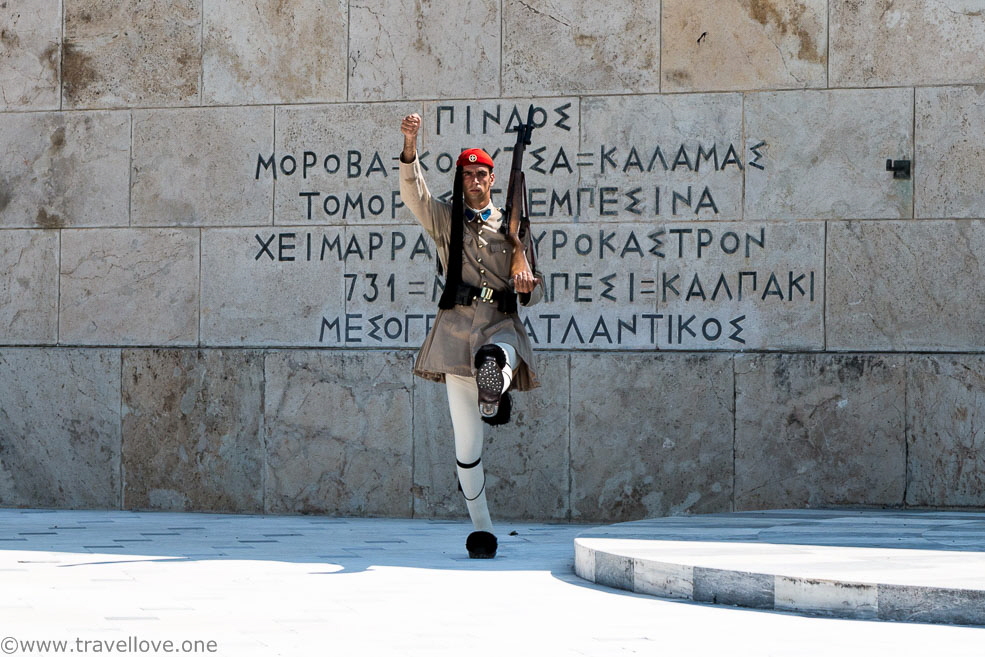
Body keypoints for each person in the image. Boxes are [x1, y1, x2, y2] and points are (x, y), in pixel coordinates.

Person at [399, 112, 544, 559]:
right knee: (467, 448)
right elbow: (415, 196)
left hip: (500, 325)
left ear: (492, 179)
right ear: (461, 180)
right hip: (456, 334)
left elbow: (537, 291)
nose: (475, 181)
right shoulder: (447, 220)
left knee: (496, 356)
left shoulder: (514, 227)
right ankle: (483, 529)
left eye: (482, 175)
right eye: (468, 175)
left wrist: (527, 282)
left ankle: (493, 386)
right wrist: (410, 148)